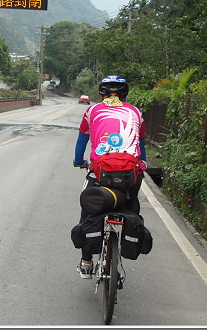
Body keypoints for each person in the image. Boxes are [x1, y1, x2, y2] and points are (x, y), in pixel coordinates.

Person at [73, 75, 147, 279]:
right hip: (130, 173)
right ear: (125, 94)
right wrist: (143, 163)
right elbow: (141, 145)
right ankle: (125, 246)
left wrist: (79, 161)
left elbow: (81, 142)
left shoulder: (92, 111)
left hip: (99, 172)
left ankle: (86, 262)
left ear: (101, 94)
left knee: (88, 207)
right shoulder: (136, 112)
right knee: (131, 202)